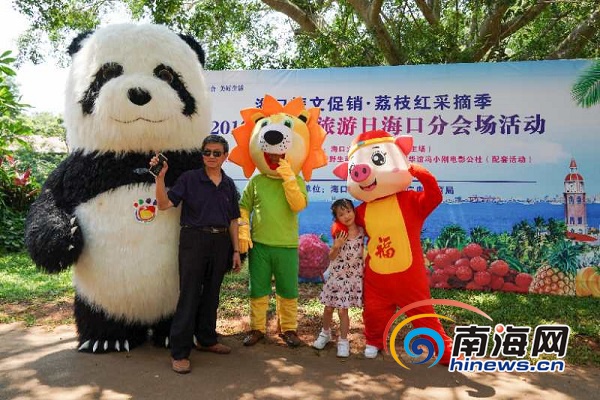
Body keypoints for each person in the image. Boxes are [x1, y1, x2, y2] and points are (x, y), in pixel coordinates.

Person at [150, 135, 241, 374]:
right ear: (202, 154)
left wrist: (236, 250)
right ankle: (179, 352)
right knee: (189, 294)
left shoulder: (228, 184)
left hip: (221, 242)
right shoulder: (189, 179)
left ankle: (206, 339)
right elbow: (163, 204)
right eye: (206, 152)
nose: (211, 157)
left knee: (212, 293)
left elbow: (234, 220)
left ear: (225, 156)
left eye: (216, 153)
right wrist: (160, 178)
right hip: (194, 240)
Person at [312, 199, 365, 357]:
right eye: (341, 214)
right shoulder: (339, 233)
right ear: (336, 218)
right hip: (336, 277)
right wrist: (336, 245)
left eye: (348, 211)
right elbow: (331, 256)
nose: (346, 216)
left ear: (354, 211)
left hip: (352, 278)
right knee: (328, 308)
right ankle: (325, 333)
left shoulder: (362, 231)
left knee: (343, 311)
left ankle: (343, 341)